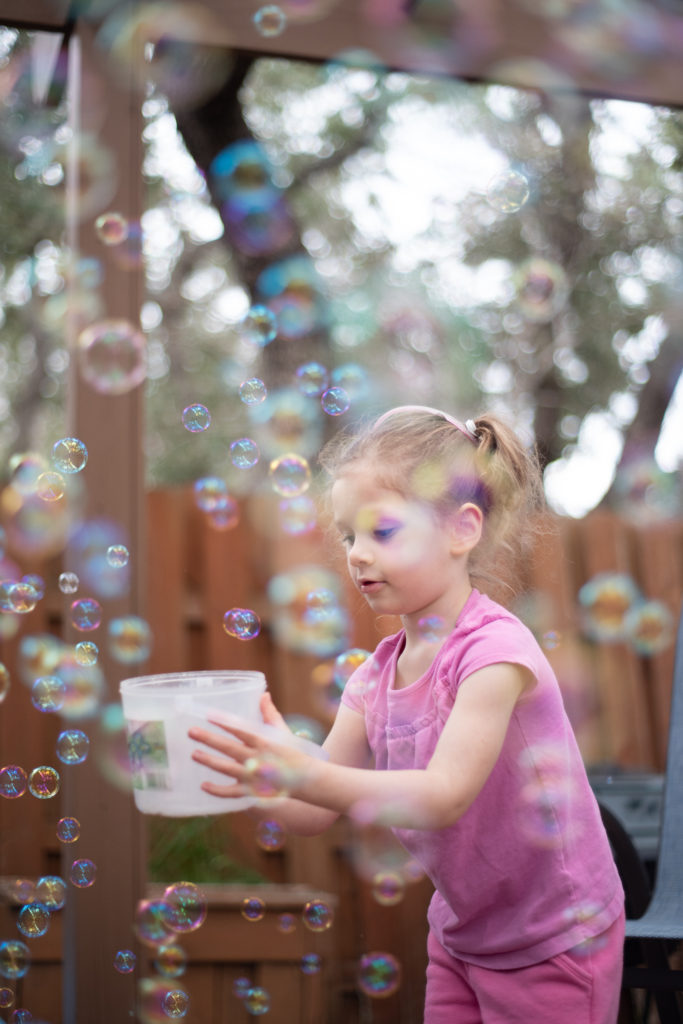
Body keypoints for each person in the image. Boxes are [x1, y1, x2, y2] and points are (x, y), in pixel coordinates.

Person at [189, 404, 625, 1024]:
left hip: (553, 936)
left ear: (460, 530)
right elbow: (311, 810)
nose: (357, 554)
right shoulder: (373, 678)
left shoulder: (494, 653)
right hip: (462, 934)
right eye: (347, 536)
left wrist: (303, 771)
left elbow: (443, 794)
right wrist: (259, 770)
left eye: (382, 532)